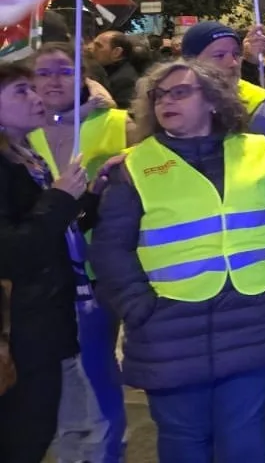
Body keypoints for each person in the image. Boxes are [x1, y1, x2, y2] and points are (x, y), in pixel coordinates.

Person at [90, 60, 265, 462]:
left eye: (181, 92)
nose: (166, 101)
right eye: (159, 95)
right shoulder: (133, 166)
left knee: (244, 440)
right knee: (183, 442)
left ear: (213, 101)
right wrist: (137, 307)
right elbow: (110, 249)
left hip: (250, 324)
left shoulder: (254, 150)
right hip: (170, 330)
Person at [30, 44, 131, 463]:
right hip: (37, 277)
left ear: (84, 77)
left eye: (64, 71)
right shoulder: (16, 128)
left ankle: (107, 454)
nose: (54, 81)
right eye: (43, 73)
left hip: (94, 274)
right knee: (52, 382)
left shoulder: (119, 123)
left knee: (95, 374)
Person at [0, 60, 92, 463]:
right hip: (16, 332)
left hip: (41, 324)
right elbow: (11, 252)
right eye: (20, 91)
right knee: (22, 436)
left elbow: (51, 230)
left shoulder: (26, 157)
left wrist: (91, 194)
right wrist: (59, 199)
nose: (36, 96)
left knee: (37, 432)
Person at [182, 21, 265, 144]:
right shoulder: (167, 100)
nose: (233, 63)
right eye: (219, 55)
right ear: (190, 61)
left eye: (236, 54)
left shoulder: (260, 105)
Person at [88, 30, 139, 108]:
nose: (90, 47)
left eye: (98, 46)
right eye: (92, 43)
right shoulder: (104, 69)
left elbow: (124, 115)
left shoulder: (125, 80)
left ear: (117, 52)